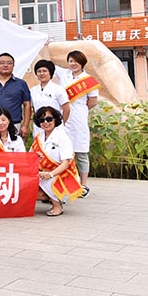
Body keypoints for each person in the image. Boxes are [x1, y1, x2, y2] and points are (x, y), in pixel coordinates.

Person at [55, 50, 99, 197]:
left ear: (82, 63)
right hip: (64, 118)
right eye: (71, 61)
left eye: (76, 61)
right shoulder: (64, 74)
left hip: (79, 119)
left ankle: (83, 185)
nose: (73, 64)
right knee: (63, 152)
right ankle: (65, 184)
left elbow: (93, 102)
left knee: (81, 153)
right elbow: (48, 63)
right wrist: (45, 44)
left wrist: (80, 109)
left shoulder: (88, 80)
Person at [32, 106, 82, 217]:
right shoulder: (38, 138)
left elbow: (65, 163)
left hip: (63, 174)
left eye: (49, 119)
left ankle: (57, 205)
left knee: (47, 180)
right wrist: (36, 157)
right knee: (29, 186)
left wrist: (50, 174)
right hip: (43, 173)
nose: (45, 122)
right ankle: (50, 197)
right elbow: (31, 157)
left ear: (55, 119)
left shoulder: (62, 137)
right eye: (42, 120)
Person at [0, 52, 31, 138]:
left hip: (15, 124)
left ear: (13, 65)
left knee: (15, 146)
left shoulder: (21, 84)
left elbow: (27, 105)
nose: (5, 65)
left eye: (9, 63)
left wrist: (25, 126)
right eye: (2, 63)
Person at [29, 59, 70, 137]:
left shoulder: (58, 89)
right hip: (39, 126)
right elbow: (33, 108)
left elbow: (66, 109)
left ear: (50, 73)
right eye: (39, 71)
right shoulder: (33, 90)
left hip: (54, 126)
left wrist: (60, 123)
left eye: (44, 71)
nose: (41, 73)